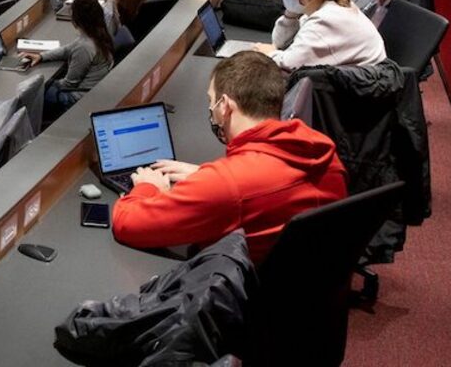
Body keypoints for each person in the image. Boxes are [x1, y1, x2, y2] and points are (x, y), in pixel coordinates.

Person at [112, 51, 347, 263]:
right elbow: (266, 187)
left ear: (224, 106)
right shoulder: (322, 153)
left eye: (210, 100)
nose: (211, 109)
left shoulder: (228, 184)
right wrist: (204, 175)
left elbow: (128, 224)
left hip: (243, 301)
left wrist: (147, 187)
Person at [253, 0, 386, 71]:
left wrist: (268, 54)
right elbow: (280, 43)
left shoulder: (326, 20)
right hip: (356, 79)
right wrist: (290, 14)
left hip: (357, 91)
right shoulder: (326, 5)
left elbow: (290, 64)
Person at [21, 0, 114, 124]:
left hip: (77, 98)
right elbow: (68, 49)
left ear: (76, 19)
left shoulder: (85, 46)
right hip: (90, 92)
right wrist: (42, 56)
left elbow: (69, 84)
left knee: (30, 94)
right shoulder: (98, 33)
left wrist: (47, 84)